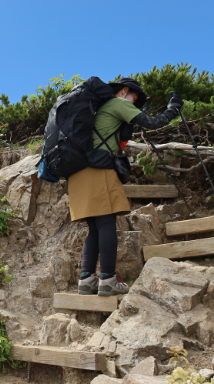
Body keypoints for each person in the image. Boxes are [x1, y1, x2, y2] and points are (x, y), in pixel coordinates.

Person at [72, 78, 184, 296]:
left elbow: (119, 136)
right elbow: (153, 122)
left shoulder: (100, 108)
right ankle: (108, 279)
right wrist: (173, 108)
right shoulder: (119, 103)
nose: (134, 104)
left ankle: (87, 280)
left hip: (79, 172)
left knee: (94, 228)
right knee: (106, 223)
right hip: (98, 169)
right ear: (125, 91)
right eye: (134, 98)